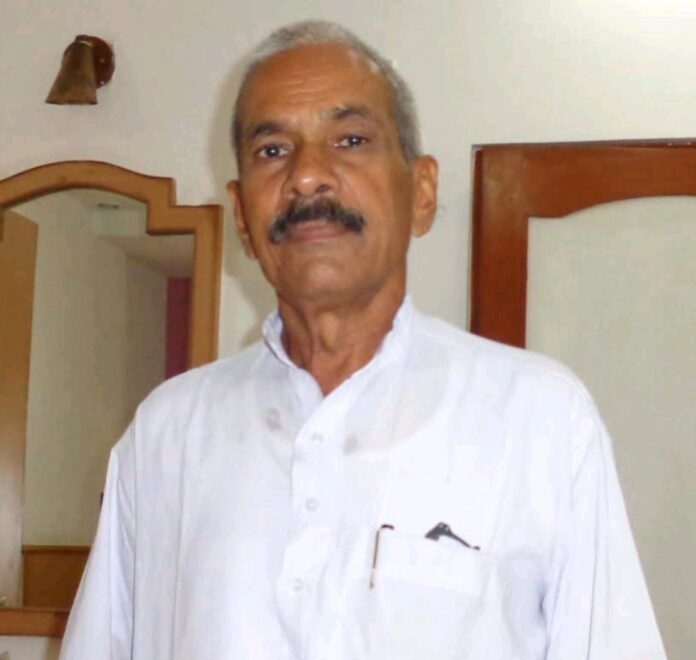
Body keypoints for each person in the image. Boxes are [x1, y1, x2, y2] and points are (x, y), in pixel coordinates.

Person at [59, 21, 666, 660]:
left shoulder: (541, 421)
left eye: (350, 140)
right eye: (272, 150)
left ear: (421, 193)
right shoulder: (166, 435)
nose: (307, 177)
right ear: (241, 217)